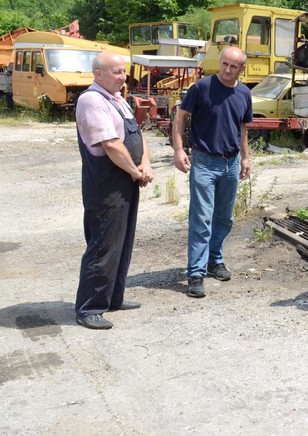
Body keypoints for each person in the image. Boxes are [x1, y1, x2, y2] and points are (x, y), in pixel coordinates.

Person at [75, 51, 154, 329]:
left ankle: (113, 298)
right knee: (103, 245)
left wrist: (145, 164)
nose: (123, 77)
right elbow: (110, 144)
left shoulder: (118, 99)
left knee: (123, 242)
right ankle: (90, 308)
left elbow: (138, 134)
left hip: (128, 180)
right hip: (106, 185)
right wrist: (135, 172)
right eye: (116, 72)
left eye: (123, 72)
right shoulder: (92, 101)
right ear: (98, 74)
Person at [172, 46, 252, 298]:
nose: (227, 70)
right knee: (202, 219)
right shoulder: (202, 87)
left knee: (225, 218)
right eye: (224, 64)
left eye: (233, 66)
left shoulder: (244, 93)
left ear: (242, 68)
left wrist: (246, 157)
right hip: (204, 162)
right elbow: (180, 116)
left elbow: (243, 128)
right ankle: (195, 273)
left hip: (231, 163)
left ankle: (214, 259)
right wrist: (178, 149)